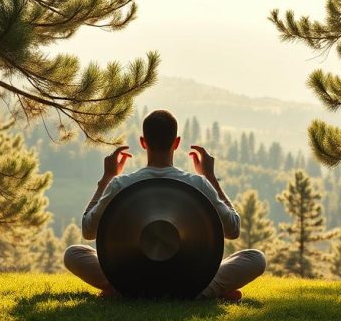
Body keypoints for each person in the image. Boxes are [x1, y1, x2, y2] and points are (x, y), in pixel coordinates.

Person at [63, 109, 266, 300]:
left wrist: (106, 178)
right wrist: (210, 177)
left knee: (73, 254)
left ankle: (123, 290)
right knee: (256, 259)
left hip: (132, 278)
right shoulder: (198, 183)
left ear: (143, 142)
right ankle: (201, 294)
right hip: (190, 281)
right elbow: (233, 230)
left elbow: (88, 231)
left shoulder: (121, 184)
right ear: (176, 143)